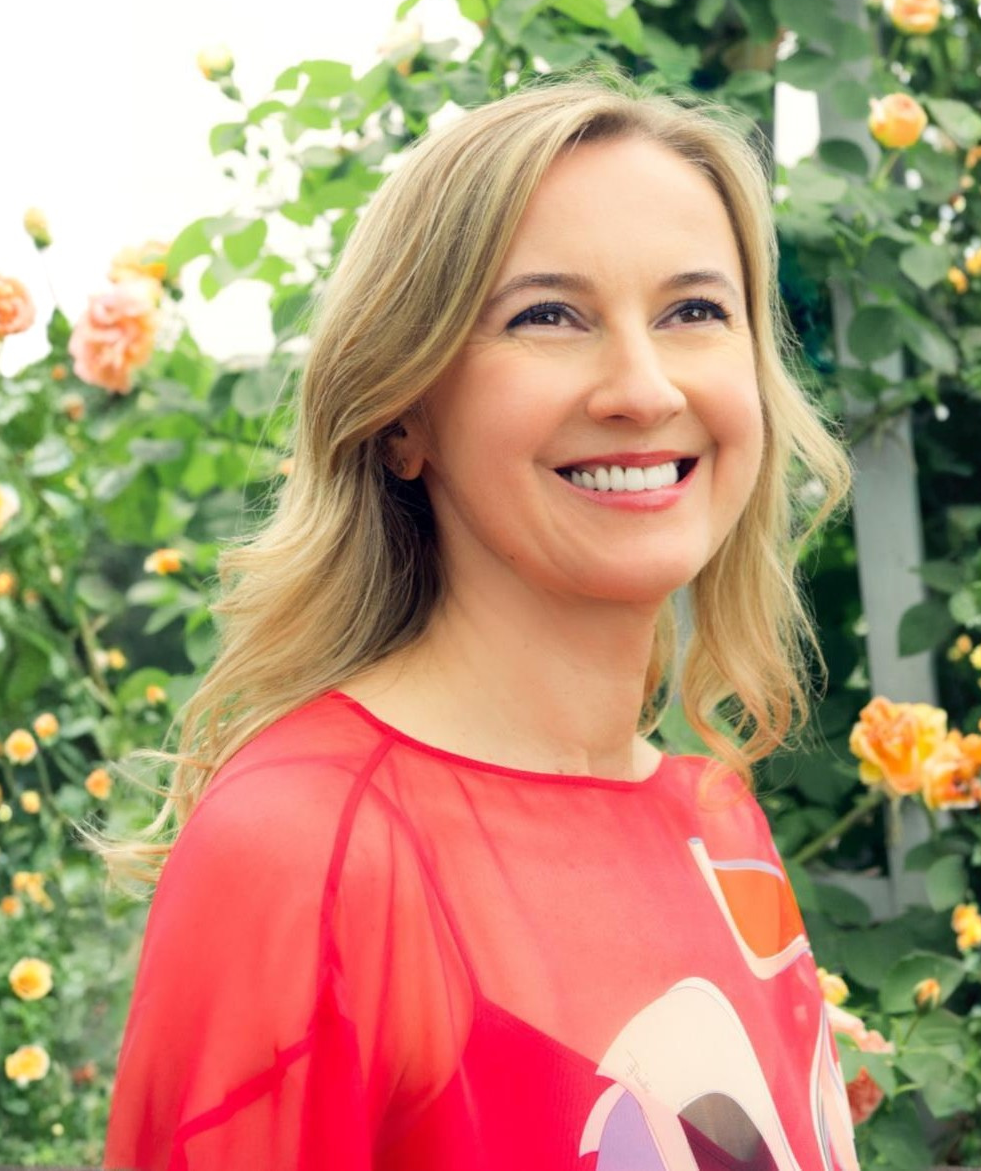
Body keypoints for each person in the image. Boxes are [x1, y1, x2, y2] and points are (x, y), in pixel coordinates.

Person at [102, 69, 858, 1171]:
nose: (642, 388)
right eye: (547, 315)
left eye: (695, 309)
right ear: (403, 414)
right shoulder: (310, 851)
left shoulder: (714, 818)